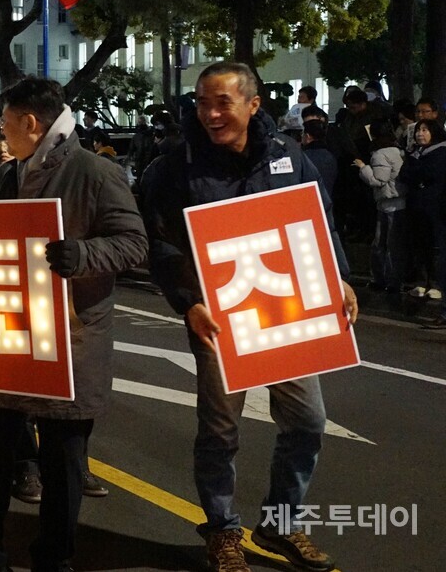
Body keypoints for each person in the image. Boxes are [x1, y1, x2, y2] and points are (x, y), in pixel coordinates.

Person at [140, 61, 358, 572]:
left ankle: (281, 522)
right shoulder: (175, 166)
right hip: (217, 317)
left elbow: (320, 220)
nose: (210, 113)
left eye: (222, 102)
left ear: (253, 104)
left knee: (308, 421)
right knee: (219, 431)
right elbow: (159, 243)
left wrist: (340, 277)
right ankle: (221, 530)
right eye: (201, 103)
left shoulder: (287, 156)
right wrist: (187, 302)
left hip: (287, 310)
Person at [0, 78, 147, 572]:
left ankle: (54, 559)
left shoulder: (97, 172)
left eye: (4, 123)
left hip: (71, 339)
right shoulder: (8, 174)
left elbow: (134, 243)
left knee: (64, 462)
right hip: (11, 333)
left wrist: (81, 254)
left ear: (30, 123)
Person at [353, 119, 408, 295]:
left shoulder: (380, 154)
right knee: (393, 245)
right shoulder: (398, 150)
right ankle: (394, 281)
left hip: (388, 203)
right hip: (399, 202)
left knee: (382, 244)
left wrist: (363, 168)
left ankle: (383, 280)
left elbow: (378, 180)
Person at [399, 119, 446, 308]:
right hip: (416, 206)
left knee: (435, 245)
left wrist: (416, 172)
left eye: (425, 130)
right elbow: (404, 175)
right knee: (419, 244)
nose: (420, 134)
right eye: (418, 130)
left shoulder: (441, 152)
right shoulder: (414, 154)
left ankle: (435, 283)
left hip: (435, 207)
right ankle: (422, 281)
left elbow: (431, 173)